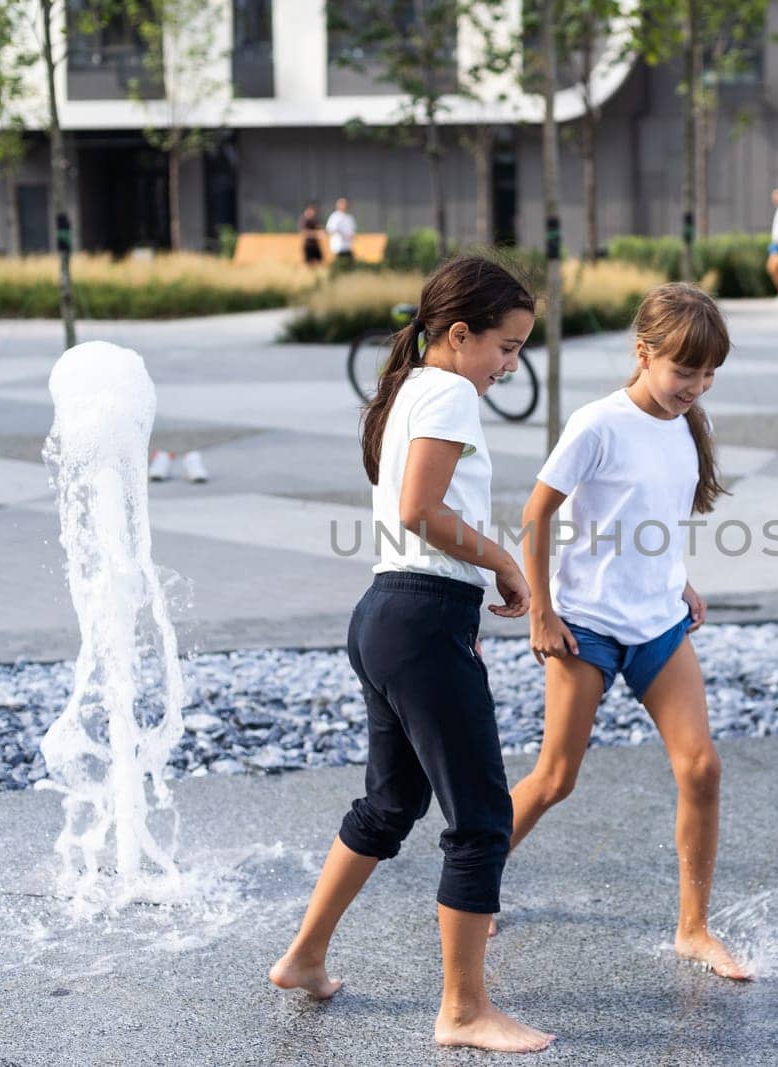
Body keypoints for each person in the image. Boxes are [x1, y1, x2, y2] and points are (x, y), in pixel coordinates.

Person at [269, 257, 554, 1055]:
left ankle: (305, 955)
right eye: (506, 345)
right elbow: (421, 509)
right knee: (482, 817)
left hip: (386, 614)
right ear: (459, 334)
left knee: (392, 802)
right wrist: (503, 558)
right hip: (424, 618)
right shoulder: (450, 390)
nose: (511, 364)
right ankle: (463, 1011)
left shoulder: (410, 389)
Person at [501, 282, 753, 982]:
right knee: (555, 778)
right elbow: (535, 512)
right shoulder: (597, 423)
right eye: (684, 371)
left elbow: (656, 520)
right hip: (586, 627)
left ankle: (693, 929)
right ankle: (473, 880)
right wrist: (543, 611)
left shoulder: (684, 423)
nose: (696, 387)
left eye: (708, 375)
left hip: (660, 625)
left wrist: (680, 581)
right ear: (644, 354)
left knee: (702, 767)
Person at [325, 197, 357, 265]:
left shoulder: (349, 217)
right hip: (338, 246)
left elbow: (352, 231)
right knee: (339, 263)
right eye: (342, 204)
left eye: (345, 204)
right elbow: (330, 229)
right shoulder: (334, 216)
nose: (344, 206)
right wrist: (341, 234)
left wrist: (351, 236)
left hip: (348, 246)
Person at [299, 201, 324, 266]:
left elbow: (319, 229)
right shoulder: (304, 220)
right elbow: (304, 233)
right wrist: (316, 234)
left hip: (316, 245)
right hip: (308, 245)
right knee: (309, 265)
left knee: (319, 263)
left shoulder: (315, 220)